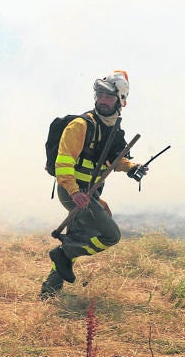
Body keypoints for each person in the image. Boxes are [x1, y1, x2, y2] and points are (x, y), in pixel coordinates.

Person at [40, 70, 148, 299]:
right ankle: (64, 253)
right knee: (111, 234)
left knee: (78, 234)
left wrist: (132, 168)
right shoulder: (80, 126)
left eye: (109, 96)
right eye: (99, 94)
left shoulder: (113, 128)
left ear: (121, 100)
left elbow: (115, 159)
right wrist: (75, 191)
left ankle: (50, 290)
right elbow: (64, 162)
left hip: (89, 193)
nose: (102, 100)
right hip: (73, 191)